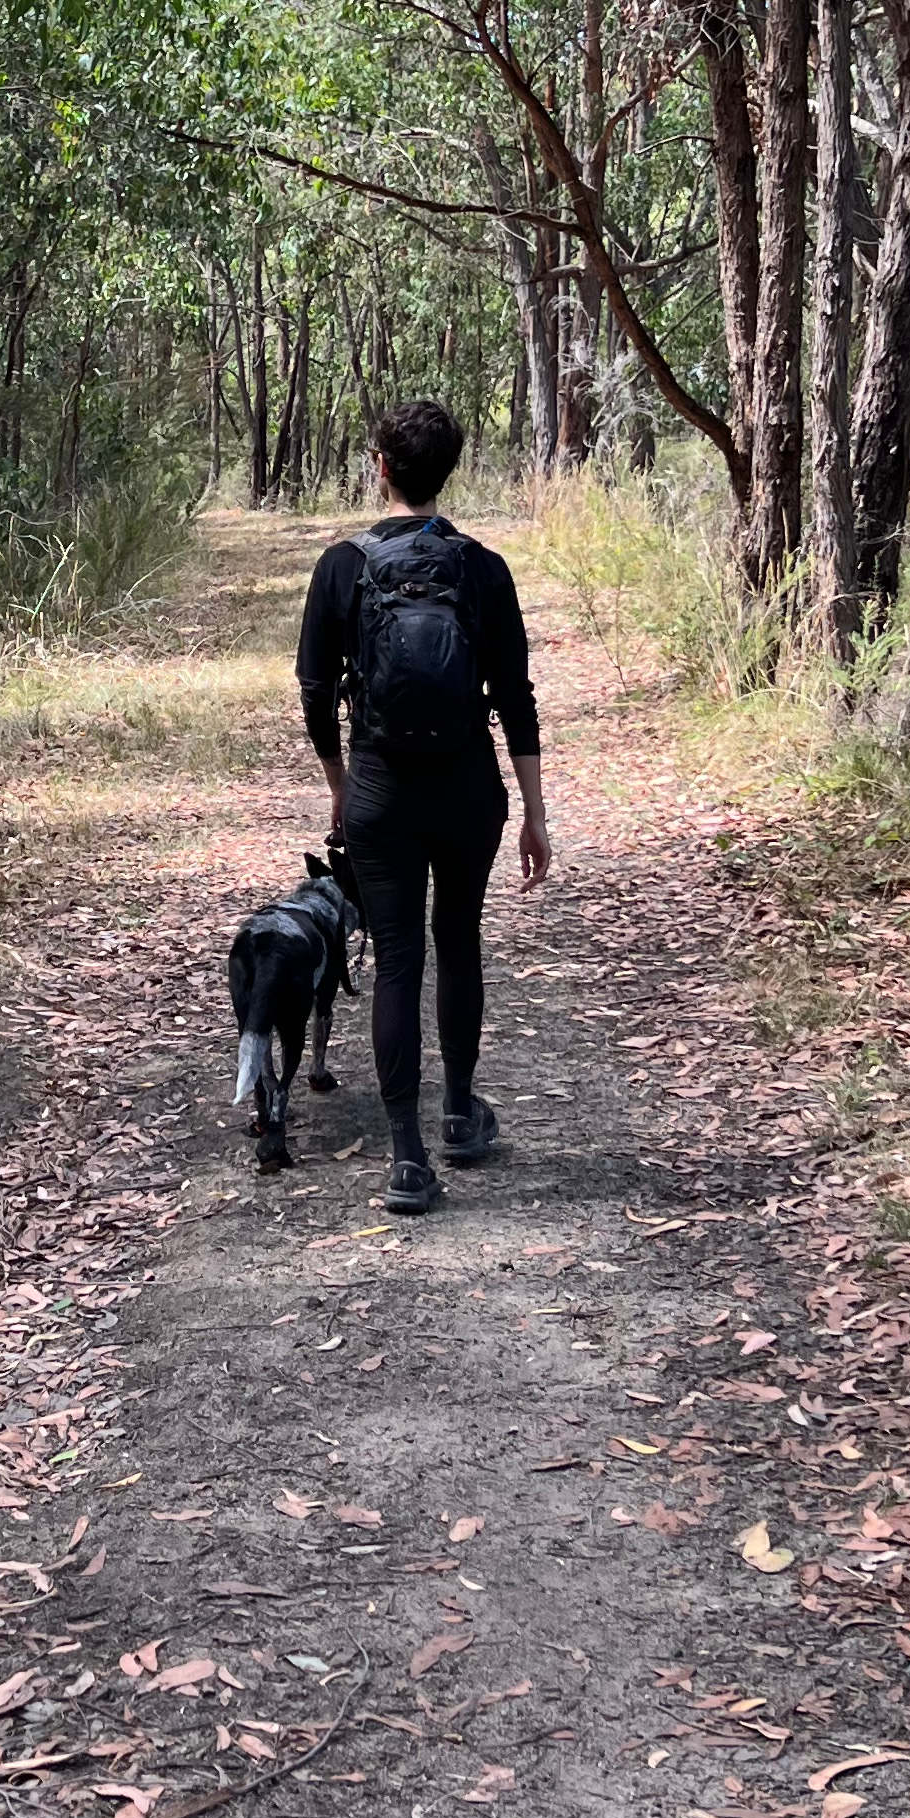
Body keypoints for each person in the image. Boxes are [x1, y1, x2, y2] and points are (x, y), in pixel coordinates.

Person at [295, 398, 551, 1216]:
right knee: (460, 941)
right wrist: (535, 812)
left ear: (380, 468)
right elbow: (515, 698)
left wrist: (340, 785)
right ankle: (460, 1115)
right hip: (467, 785)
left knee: (399, 958)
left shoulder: (342, 565)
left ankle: (406, 1157)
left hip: (380, 788)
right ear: (450, 470)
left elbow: (313, 690)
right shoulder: (483, 568)